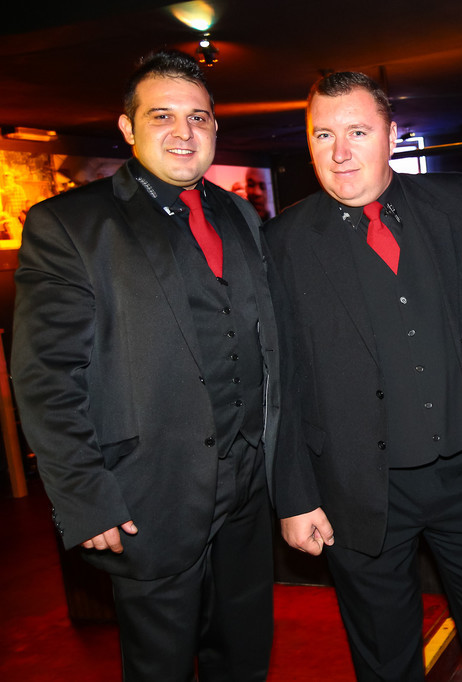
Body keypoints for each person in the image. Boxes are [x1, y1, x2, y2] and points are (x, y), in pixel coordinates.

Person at [11, 50, 282, 680]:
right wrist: (86, 499)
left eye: (198, 117)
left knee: (245, 655)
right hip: (149, 492)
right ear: (127, 128)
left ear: (214, 128)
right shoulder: (72, 224)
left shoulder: (238, 214)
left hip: (248, 485)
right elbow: (47, 377)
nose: (183, 132)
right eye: (162, 116)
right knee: (160, 666)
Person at [263, 71, 462, 682]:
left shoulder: (458, 198)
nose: (340, 152)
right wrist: (295, 495)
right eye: (324, 135)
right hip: (355, 485)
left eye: (358, 132)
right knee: (384, 658)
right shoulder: (281, 242)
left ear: (392, 137)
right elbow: (278, 381)